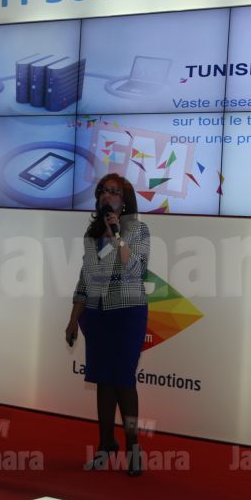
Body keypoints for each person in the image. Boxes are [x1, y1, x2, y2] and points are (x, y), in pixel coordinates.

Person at [65, 173, 150, 476]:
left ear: (124, 200)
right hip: (96, 313)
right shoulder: (92, 234)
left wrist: (117, 236)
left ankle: (133, 449)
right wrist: (73, 318)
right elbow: (85, 277)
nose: (106, 195)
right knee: (102, 380)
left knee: (124, 381)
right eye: (102, 191)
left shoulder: (137, 229)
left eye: (113, 191)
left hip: (127, 313)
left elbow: (137, 269)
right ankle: (105, 445)